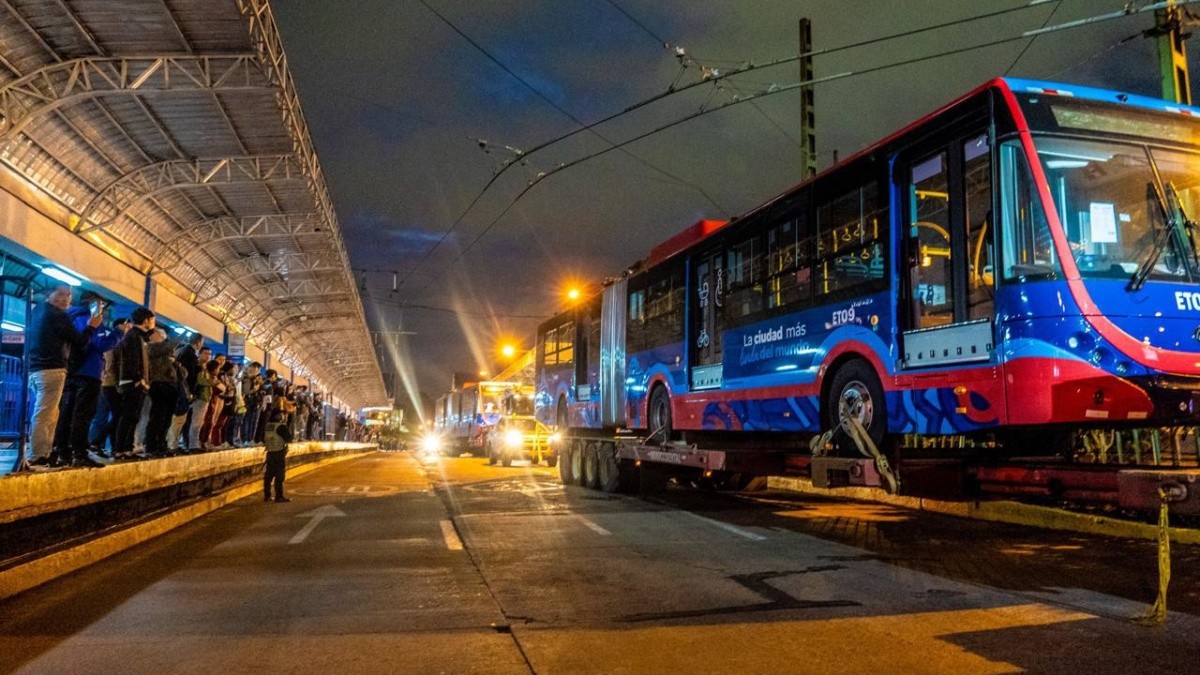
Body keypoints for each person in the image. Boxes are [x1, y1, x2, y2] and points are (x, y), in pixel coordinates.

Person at [24, 284, 101, 469]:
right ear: (48, 294)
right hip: (51, 369)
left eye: (68, 295)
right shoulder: (58, 315)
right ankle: (38, 456)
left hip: (34, 370)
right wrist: (91, 327)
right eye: (60, 294)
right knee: (46, 414)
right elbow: (80, 341)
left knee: (48, 413)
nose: (65, 299)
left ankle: (45, 453)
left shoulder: (37, 311)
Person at [53, 295, 124, 468]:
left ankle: (63, 452)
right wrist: (119, 332)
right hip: (89, 372)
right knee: (82, 415)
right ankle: (79, 454)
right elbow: (101, 344)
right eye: (101, 305)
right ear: (94, 304)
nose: (103, 309)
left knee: (66, 414)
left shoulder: (70, 317)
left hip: (71, 372)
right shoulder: (91, 319)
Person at [113, 307, 155, 460]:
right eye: (152, 320)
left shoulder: (139, 336)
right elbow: (131, 360)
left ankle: (127, 449)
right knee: (128, 416)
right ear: (145, 320)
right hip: (133, 383)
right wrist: (139, 380)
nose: (153, 323)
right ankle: (120, 449)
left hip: (137, 383)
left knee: (133, 417)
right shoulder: (133, 336)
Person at [145, 328, 178, 457]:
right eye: (160, 334)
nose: (163, 336)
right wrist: (179, 336)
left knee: (166, 418)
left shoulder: (166, 352)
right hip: (159, 385)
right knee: (157, 416)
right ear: (152, 336)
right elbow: (167, 346)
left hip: (170, 385)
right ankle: (151, 446)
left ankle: (161, 444)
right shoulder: (152, 348)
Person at [262, 409, 292, 503]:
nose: (282, 416)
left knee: (268, 475)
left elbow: (263, 439)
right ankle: (279, 496)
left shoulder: (268, 426)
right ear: (277, 416)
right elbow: (289, 438)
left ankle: (267, 496)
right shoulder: (281, 427)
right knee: (279, 476)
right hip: (279, 453)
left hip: (270, 453)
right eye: (281, 414)